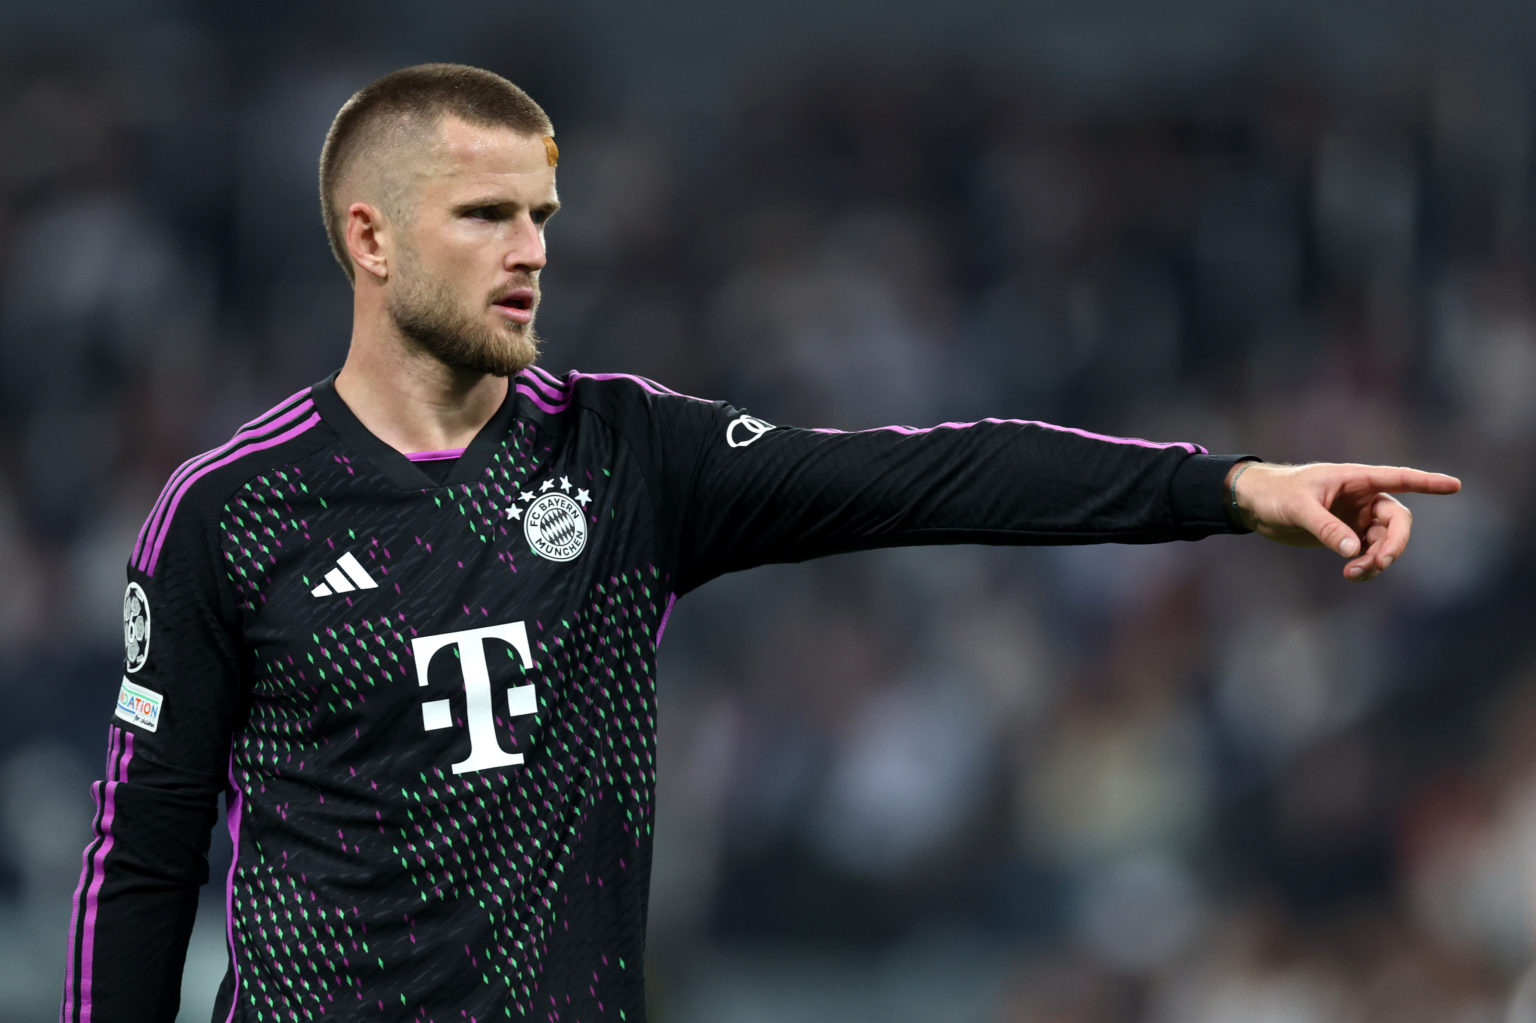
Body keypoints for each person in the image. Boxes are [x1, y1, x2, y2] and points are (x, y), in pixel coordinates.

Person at [60, 62, 1460, 1023]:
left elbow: (935, 478)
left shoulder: (627, 455)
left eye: (541, 214)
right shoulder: (231, 509)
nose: (528, 250)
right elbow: (145, 846)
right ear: (367, 237)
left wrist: (1227, 486)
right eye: (483, 215)